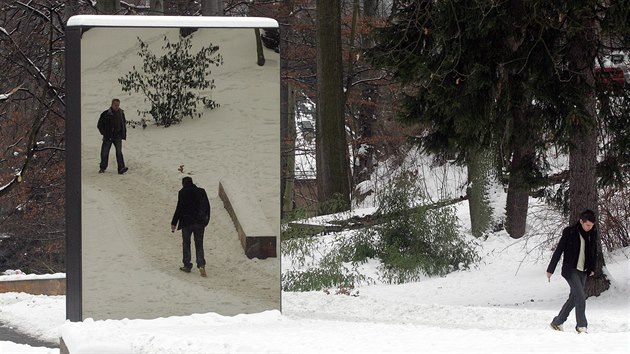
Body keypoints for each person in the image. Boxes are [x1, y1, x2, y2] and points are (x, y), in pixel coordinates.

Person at [546, 209, 598, 334]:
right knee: (580, 296)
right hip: (571, 270)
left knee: (574, 297)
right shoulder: (570, 232)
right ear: (581, 221)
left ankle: (557, 322)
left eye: (591, 226)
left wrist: (592, 268)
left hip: (583, 270)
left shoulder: (592, 233)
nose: (589, 228)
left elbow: (593, 252)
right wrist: (550, 269)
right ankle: (581, 326)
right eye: (587, 225)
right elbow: (559, 250)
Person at [171, 177, 211, 277]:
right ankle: (201, 264)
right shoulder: (201, 191)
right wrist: (206, 221)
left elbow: (179, 208)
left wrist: (174, 223)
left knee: (186, 243)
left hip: (186, 222)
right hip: (199, 223)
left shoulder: (182, 192)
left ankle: (187, 265)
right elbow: (207, 206)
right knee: (199, 243)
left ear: (183, 184)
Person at [97, 98, 128, 174]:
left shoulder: (121, 113)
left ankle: (121, 168)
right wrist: (104, 133)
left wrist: (122, 133)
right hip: (108, 136)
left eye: (118, 105)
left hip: (118, 136)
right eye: (115, 105)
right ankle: (102, 167)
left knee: (119, 152)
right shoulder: (106, 114)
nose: (117, 107)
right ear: (112, 105)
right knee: (105, 152)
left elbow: (123, 123)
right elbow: (99, 125)